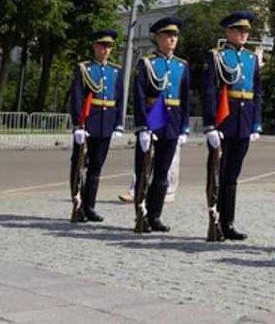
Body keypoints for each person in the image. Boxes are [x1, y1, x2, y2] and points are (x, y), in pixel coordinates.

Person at [202, 10, 263, 241]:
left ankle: (228, 223)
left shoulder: (251, 58)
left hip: (244, 120)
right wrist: (210, 125)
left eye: (246, 31)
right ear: (228, 32)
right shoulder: (216, 56)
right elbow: (209, 92)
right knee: (217, 173)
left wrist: (256, 123)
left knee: (232, 176)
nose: (244, 34)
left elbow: (257, 93)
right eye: (239, 30)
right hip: (223, 120)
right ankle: (215, 220)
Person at [133, 16, 190, 233]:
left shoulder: (181, 65)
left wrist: (184, 127)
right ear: (158, 38)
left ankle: (155, 215)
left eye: (175, 35)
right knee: (144, 170)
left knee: (162, 173)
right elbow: (139, 97)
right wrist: (142, 127)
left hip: (172, 119)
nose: (172, 39)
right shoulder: (147, 63)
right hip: (153, 117)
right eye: (168, 35)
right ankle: (141, 214)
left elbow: (184, 98)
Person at [69, 29, 125, 222]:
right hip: (88, 122)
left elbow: (118, 98)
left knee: (96, 168)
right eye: (102, 46)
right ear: (94, 46)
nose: (106, 50)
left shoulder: (115, 71)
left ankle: (89, 206)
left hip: (106, 122)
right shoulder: (84, 68)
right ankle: (77, 205)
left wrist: (118, 124)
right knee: (78, 165)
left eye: (109, 46)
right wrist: (78, 124)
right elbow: (77, 97)